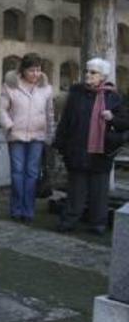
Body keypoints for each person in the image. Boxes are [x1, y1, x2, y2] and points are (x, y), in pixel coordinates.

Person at [54, 58, 129, 234]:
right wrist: (60, 144)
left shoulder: (114, 97)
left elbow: (125, 122)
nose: (88, 75)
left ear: (103, 76)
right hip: (77, 149)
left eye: (93, 72)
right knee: (75, 191)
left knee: (99, 193)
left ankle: (98, 224)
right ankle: (69, 221)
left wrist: (112, 118)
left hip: (101, 152)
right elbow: (66, 121)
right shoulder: (76, 94)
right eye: (87, 71)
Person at [0, 53, 55, 223]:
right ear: (23, 70)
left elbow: (49, 113)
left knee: (32, 173)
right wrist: (9, 125)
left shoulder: (46, 88)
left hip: (37, 136)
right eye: (32, 70)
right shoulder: (11, 86)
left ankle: (28, 211)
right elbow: (1, 109)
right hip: (17, 135)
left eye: (38, 70)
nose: (36, 74)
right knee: (17, 173)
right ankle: (16, 209)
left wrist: (50, 134)